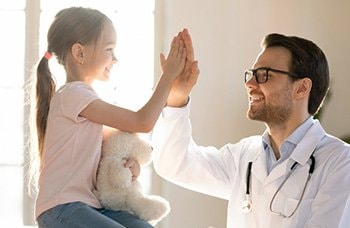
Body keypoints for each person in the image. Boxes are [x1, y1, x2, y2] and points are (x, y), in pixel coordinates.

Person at [152, 32, 350, 227]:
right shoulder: (245, 155)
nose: (249, 83)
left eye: (264, 75)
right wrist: (177, 95)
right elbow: (175, 164)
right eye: (252, 74)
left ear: (302, 88)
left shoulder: (339, 161)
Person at [29, 6, 189, 228]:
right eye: (109, 49)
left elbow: (125, 133)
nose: (115, 58)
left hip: (87, 205)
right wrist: (168, 76)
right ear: (79, 53)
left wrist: (129, 164)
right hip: (61, 208)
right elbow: (141, 122)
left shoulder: (82, 100)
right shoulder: (74, 95)